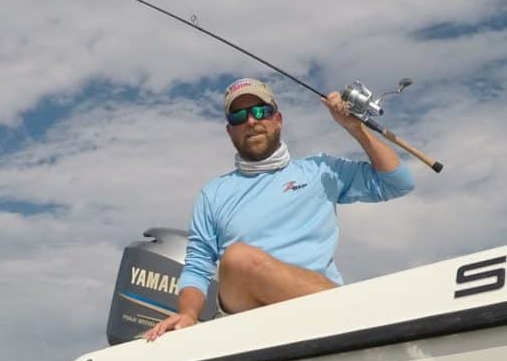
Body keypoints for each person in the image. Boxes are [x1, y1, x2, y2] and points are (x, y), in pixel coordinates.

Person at [144, 77, 415, 340]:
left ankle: (349, 322)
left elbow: (398, 182)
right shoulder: (213, 193)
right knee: (238, 259)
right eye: (239, 117)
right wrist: (188, 314)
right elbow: (197, 265)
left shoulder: (321, 170)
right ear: (230, 131)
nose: (251, 121)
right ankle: (362, 322)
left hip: (318, 312)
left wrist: (355, 128)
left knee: (241, 258)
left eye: (261, 111)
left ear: (278, 119)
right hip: (246, 319)